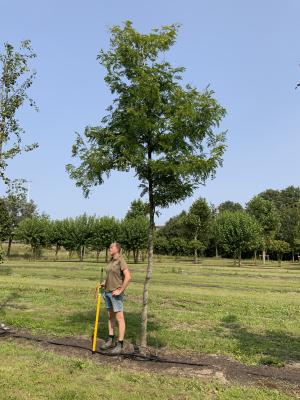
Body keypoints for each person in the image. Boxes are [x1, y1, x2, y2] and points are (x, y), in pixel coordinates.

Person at [99, 242, 131, 354]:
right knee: (110, 317)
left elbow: (128, 277)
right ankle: (110, 340)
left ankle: (120, 343)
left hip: (115, 294)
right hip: (107, 292)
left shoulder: (121, 260)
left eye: (111, 247)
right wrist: (104, 282)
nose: (109, 249)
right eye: (109, 247)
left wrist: (120, 290)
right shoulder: (111, 261)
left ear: (117, 249)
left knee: (119, 318)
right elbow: (110, 276)